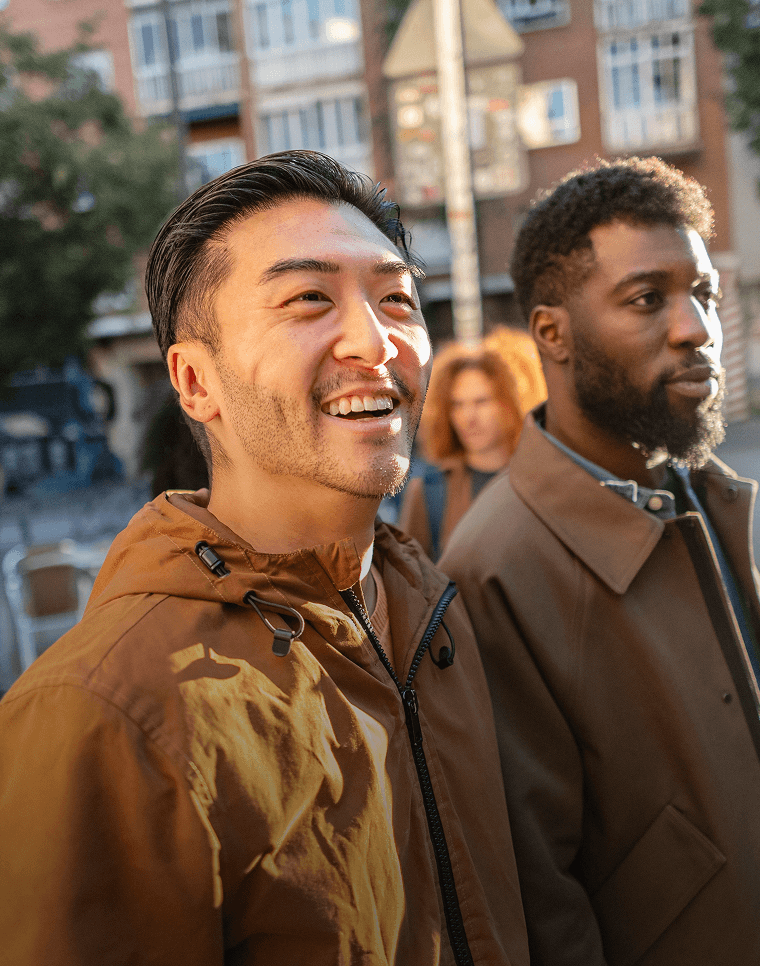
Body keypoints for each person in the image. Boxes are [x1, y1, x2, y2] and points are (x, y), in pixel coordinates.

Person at [0, 151, 528, 966]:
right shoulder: (101, 711)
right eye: (308, 298)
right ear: (194, 381)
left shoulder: (433, 615)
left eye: (396, 298)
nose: (376, 341)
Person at [440, 157, 760, 965]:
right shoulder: (492, 568)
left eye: (705, 294)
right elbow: (542, 902)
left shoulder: (720, 500)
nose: (697, 329)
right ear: (552, 332)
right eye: (648, 299)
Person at [399, 342, 523, 559]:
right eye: (457, 404)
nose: (468, 418)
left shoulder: (538, 480)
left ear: (511, 403)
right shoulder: (430, 490)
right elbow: (410, 582)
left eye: (481, 401)